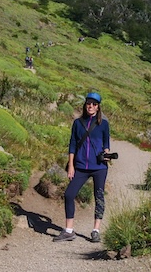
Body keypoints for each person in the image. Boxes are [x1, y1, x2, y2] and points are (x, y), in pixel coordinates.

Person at [54, 92, 110, 243]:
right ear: (85, 105)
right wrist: (71, 165)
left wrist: (106, 154)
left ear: (98, 107)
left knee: (99, 197)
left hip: (99, 167)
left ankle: (96, 230)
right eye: (88, 103)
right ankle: (69, 231)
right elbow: (72, 144)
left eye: (94, 104)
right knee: (69, 194)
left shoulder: (103, 124)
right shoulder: (77, 123)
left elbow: (106, 144)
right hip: (80, 166)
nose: (91, 106)